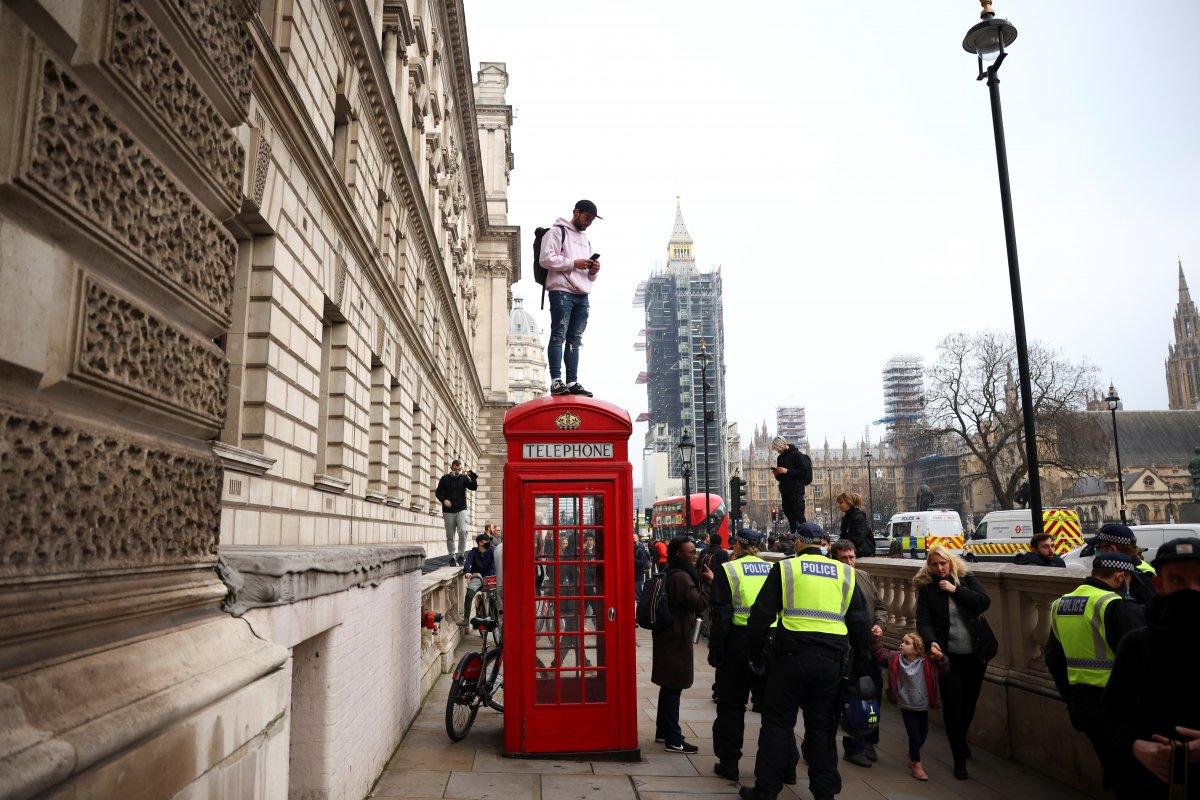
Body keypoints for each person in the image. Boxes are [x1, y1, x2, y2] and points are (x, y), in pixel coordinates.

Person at [739, 522, 875, 800]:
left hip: (790, 657)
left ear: (799, 543)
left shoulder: (786, 568)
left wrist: (755, 654)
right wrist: (861, 665)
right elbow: (861, 624)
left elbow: (761, 615)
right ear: (823, 543)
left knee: (777, 725)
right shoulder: (844, 573)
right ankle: (824, 793)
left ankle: (766, 791)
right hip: (832, 661)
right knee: (822, 729)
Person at [1104, 537, 1200, 798]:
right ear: (1159, 585)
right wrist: (1137, 746)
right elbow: (1112, 712)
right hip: (1151, 784)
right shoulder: (1137, 644)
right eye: (1177, 581)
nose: (1192, 590)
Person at [1044, 553, 1145, 798]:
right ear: (1121, 576)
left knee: (1113, 767)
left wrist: (1070, 700)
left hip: (1082, 702)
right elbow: (1141, 660)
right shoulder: (1115, 605)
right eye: (1129, 578)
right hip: (1118, 706)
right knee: (1135, 777)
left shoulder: (1061, 603)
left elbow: (1053, 658)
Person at [915, 545, 993, 780]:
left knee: (970, 701)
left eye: (943, 564)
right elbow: (923, 620)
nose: (939, 568)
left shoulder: (965, 579)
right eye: (934, 565)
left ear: (951, 563)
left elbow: (983, 602)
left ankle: (960, 739)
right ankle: (958, 757)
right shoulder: (927, 588)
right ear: (929, 566)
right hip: (948, 657)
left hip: (975, 653)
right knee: (953, 705)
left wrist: (954, 589)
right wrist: (931, 642)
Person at [709, 530, 775, 780]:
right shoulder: (773, 569)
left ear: (737, 545)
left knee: (731, 705)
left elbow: (721, 616)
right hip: (768, 641)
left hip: (738, 641)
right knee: (773, 710)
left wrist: (717, 651)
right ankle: (781, 767)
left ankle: (729, 763)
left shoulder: (729, 570)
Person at [830, 539, 888, 768]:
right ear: (834, 559)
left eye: (852, 557)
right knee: (845, 699)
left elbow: (881, 607)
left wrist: (880, 624)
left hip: (869, 646)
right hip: (845, 650)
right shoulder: (831, 580)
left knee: (872, 693)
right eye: (844, 558)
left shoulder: (863, 577)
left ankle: (869, 739)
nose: (849, 562)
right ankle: (852, 747)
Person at [653, 536, 713, 753]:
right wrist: (708, 584)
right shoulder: (681, 577)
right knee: (674, 687)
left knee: (668, 685)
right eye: (690, 552)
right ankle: (674, 739)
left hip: (668, 636)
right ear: (678, 553)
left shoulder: (672, 572)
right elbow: (698, 603)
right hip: (676, 638)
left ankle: (663, 732)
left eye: (694, 551)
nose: (694, 555)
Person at [538, 199, 601, 397]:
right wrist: (574, 262)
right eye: (586, 218)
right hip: (561, 291)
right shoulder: (557, 232)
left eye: (591, 220)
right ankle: (556, 380)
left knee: (576, 339)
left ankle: (572, 381)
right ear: (576, 212)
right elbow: (545, 259)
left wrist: (593, 270)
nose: (588, 223)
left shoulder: (585, 240)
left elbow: (587, 272)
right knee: (559, 334)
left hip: (582, 294)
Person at [871, 630, 948, 782]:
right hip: (906, 705)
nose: (902, 644)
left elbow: (944, 669)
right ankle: (916, 764)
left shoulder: (927, 663)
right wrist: (876, 639)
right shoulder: (895, 659)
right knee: (914, 735)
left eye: (907, 643)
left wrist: (941, 657)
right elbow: (880, 654)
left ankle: (913, 753)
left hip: (922, 706)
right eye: (902, 641)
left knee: (923, 734)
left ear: (916, 649)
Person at [1090, 523, 1157, 605]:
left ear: (1111, 550)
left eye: (1098, 548)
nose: (1097, 552)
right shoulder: (1140, 570)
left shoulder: (1131, 578)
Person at [435, 460, 477, 564]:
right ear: (451, 468)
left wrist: (473, 478)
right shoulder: (444, 478)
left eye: (459, 469)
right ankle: (452, 557)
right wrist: (444, 500)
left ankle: (461, 555)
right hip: (448, 511)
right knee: (450, 535)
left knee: (463, 531)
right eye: (455, 469)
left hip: (461, 509)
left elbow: (473, 487)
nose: (457, 471)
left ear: (461, 469)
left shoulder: (464, 478)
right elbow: (438, 492)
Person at [770, 436, 811, 535]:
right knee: (790, 516)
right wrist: (777, 474)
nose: (778, 451)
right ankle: (794, 539)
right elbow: (781, 478)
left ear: (783, 444)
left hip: (796, 490)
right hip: (785, 492)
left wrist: (787, 471)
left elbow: (803, 472)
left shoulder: (796, 454)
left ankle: (806, 537)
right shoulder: (780, 458)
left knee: (799, 516)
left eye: (778, 449)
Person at [461, 533, 496, 625]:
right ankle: (466, 619)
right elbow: (467, 562)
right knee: (469, 594)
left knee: (497, 596)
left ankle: (498, 615)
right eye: (487, 541)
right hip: (477, 577)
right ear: (480, 543)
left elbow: (499, 560)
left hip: (490, 578)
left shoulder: (492, 551)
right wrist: (467, 571)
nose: (489, 542)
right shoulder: (473, 552)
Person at [836, 492, 875, 558]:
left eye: (841, 503)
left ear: (848, 503)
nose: (839, 505)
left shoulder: (858, 517)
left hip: (862, 553)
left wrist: (841, 547)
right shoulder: (846, 518)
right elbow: (844, 536)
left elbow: (857, 538)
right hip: (854, 551)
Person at [634, 534, 653, 601]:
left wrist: (632, 560)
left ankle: (642, 607)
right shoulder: (634, 548)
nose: (633, 541)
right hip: (634, 574)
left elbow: (642, 562)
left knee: (639, 594)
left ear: (637, 540)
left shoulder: (640, 549)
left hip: (638, 574)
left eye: (634, 539)